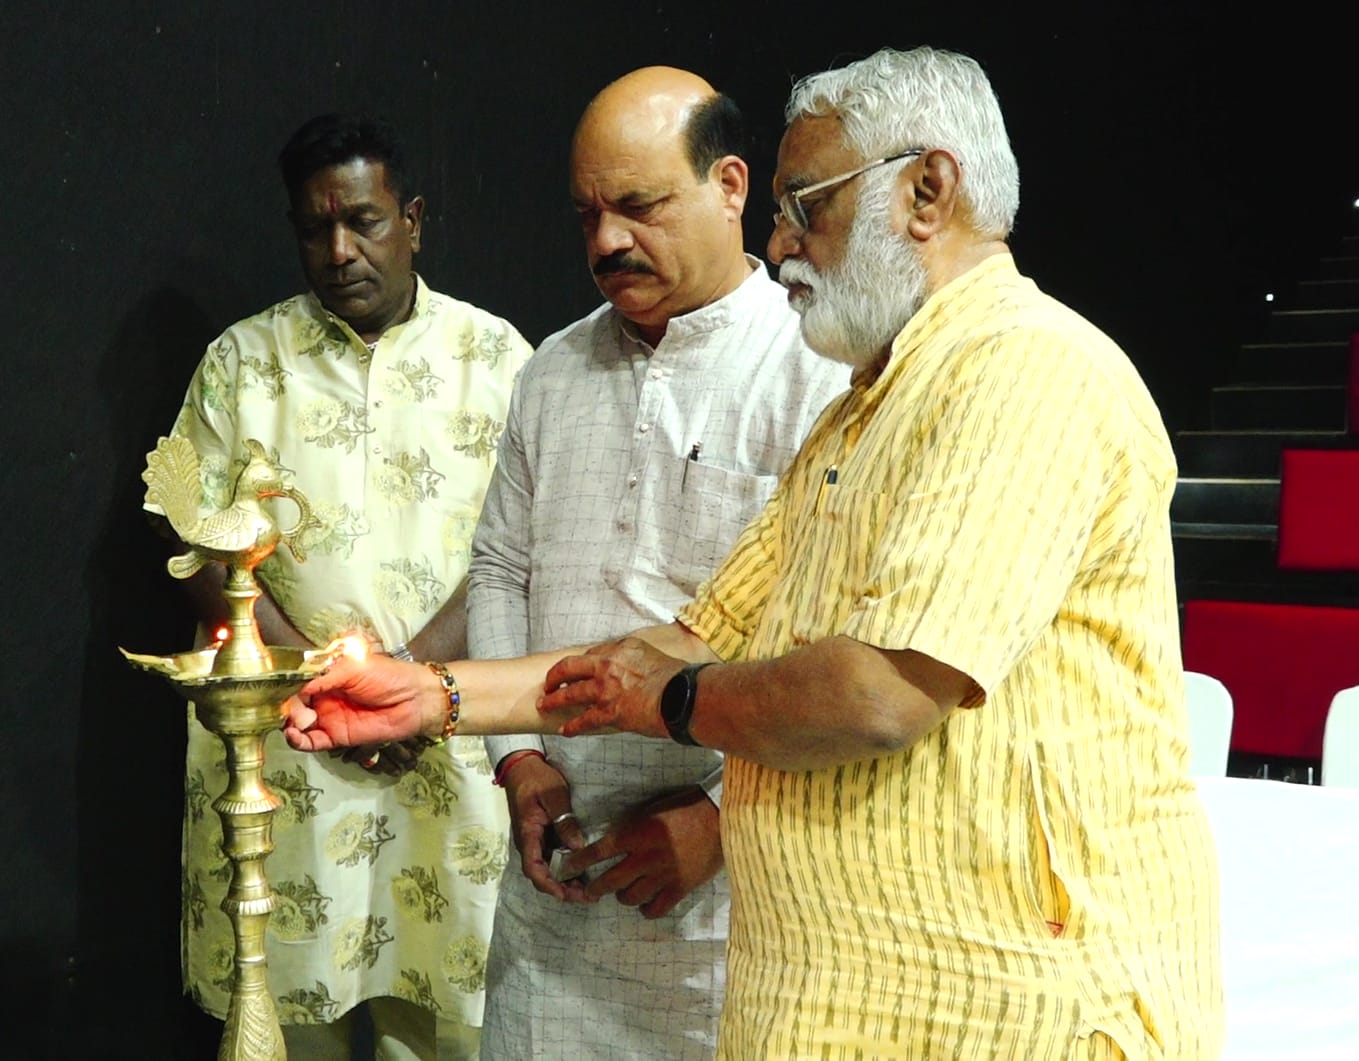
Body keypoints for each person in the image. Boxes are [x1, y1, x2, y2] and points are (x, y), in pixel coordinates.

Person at [285, 46, 1225, 1058]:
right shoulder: (864, 409)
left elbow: (879, 694)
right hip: (834, 994)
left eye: (805, 205)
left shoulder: (1026, 373)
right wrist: (438, 694)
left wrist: (676, 716)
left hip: (1007, 1005)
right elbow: (688, 639)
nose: (782, 245)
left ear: (927, 189)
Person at [468, 67, 848, 1058]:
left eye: (639, 206)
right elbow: (501, 567)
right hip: (551, 903)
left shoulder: (814, 372)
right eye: (588, 214)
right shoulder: (553, 369)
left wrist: (720, 821)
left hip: (732, 915)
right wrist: (522, 763)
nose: (605, 241)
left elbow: (848, 650)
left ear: (731, 185)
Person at [151, 113, 533, 1060]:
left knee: (445, 1018)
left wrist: (407, 685)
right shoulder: (244, 364)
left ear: (412, 218)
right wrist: (300, 677)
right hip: (288, 750)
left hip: (446, 739)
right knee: (291, 1019)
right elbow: (182, 530)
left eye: (362, 221)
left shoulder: (498, 359)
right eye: (314, 228)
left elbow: (524, 547)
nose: (338, 250)